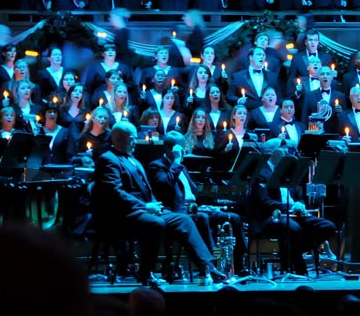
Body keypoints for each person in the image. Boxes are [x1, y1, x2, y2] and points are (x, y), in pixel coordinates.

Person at [91, 120, 226, 286]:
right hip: (122, 214)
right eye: (133, 138)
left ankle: (207, 267)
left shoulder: (133, 159)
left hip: (144, 210)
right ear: (119, 139)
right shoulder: (108, 159)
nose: (135, 142)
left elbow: (148, 191)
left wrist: (156, 206)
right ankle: (145, 273)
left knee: (184, 220)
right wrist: (145, 206)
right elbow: (114, 193)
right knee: (155, 223)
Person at [146, 141, 247, 275]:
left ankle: (238, 266)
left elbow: (194, 191)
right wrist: (175, 162)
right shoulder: (157, 166)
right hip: (178, 210)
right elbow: (165, 183)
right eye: (181, 148)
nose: (184, 151)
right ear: (170, 149)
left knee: (233, 218)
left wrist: (210, 203)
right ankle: (214, 264)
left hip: (195, 207)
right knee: (203, 218)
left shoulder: (182, 167)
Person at [246, 141, 336, 276]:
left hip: (294, 214)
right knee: (294, 229)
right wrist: (290, 206)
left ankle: (292, 253)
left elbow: (298, 195)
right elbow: (264, 202)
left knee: (328, 226)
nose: (286, 152)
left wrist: (300, 204)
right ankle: (299, 268)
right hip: (272, 217)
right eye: (282, 149)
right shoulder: (261, 174)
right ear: (271, 152)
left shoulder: (287, 171)